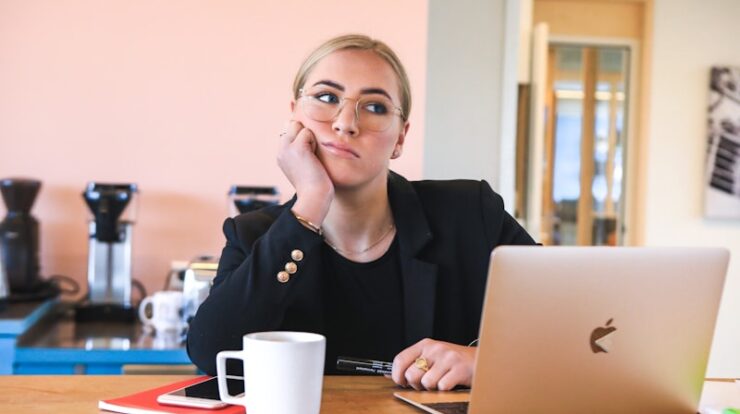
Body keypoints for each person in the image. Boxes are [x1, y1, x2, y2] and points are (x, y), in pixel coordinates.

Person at [186, 33, 536, 391]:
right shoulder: (253, 235)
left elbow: (575, 327)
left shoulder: (471, 213)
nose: (345, 122)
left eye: (374, 107)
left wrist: (486, 362)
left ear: (400, 137)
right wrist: (309, 204)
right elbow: (212, 353)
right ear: (294, 117)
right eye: (326, 98)